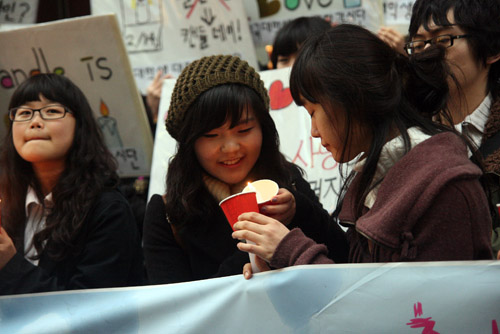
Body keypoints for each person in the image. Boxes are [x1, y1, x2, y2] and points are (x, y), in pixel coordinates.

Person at [232, 24, 493, 279]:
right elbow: (356, 276)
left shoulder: (444, 186)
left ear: (349, 99)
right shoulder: (376, 175)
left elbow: (402, 310)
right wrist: (282, 260)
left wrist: (290, 250)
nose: (313, 131)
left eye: (313, 112)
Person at [142, 55, 348, 284]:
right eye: (211, 136)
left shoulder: (287, 183)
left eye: (244, 130)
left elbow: (346, 259)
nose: (231, 148)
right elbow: (172, 309)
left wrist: (299, 210)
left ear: (263, 128)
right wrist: (248, 261)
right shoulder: (168, 214)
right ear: (190, 142)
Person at [0, 74, 145, 295]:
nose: (35, 122)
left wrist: (9, 263)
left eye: (51, 111)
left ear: (80, 126)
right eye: (24, 113)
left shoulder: (108, 210)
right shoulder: (8, 201)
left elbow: (87, 311)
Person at [406, 0, 500, 254]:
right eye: (418, 43)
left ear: (492, 49)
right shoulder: (401, 138)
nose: (427, 53)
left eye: (443, 40)